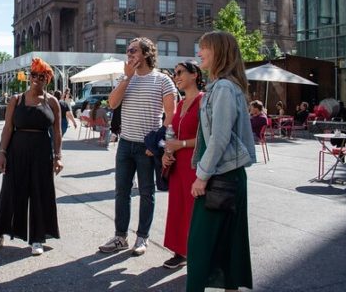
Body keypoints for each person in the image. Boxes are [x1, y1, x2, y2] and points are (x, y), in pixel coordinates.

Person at [187, 31, 256, 292]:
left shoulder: (224, 88)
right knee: (229, 244)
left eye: (204, 47)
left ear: (219, 52)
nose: (199, 51)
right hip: (228, 175)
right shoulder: (222, 86)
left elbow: (219, 137)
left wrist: (202, 176)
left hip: (220, 175)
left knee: (199, 245)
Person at [99, 37, 177, 256]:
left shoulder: (162, 80)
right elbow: (112, 103)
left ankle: (142, 237)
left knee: (146, 192)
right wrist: (126, 77)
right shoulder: (127, 79)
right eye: (128, 51)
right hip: (125, 144)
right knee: (121, 192)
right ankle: (120, 237)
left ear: (146, 53)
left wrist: (159, 143)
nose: (129, 54)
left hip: (147, 147)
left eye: (133, 50)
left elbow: (171, 115)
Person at [0, 57, 63, 256]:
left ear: (48, 79)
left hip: (42, 153)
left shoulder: (53, 102)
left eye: (41, 76)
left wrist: (58, 156)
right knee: (9, 192)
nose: (36, 79)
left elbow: (57, 132)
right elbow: (8, 128)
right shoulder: (16, 100)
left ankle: (37, 238)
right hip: (16, 151)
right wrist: (1, 153)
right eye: (33, 74)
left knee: (39, 192)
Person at [161, 61, 205, 269]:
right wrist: (167, 152)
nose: (176, 76)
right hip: (177, 164)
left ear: (194, 74)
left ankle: (196, 252)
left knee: (193, 210)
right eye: (174, 73)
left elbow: (210, 138)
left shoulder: (204, 100)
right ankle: (180, 251)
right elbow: (172, 134)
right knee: (177, 207)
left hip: (195, 163)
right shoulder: (179, 104)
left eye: (180, 72)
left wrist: (181, 144)